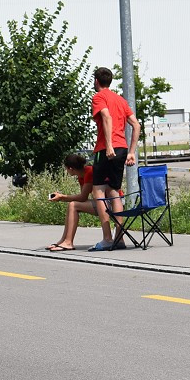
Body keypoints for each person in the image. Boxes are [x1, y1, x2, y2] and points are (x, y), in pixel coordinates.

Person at [88, 66, 140, 251]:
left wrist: (108, 144)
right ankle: (119, 238)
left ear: (96, 81)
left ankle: (107, 238)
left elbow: (106, 117)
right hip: (122, 149)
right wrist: (132, 151)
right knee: (114, 191)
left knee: (98, 192)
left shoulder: (99, 97)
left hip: (106, 149)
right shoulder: (120, 100)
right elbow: (136, 124)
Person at [46, 153, 96, 251]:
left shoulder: (89, 172)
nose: (66, 171)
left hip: (107, 203)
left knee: (73, 205)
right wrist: (62, 197)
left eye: (66, 168)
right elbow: (83, 197)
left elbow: (82, 197)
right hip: (99, 202)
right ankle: (63, 240)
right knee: (72, 205)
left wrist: (62, 197)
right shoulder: (81, 175)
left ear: (71, 168)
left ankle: (68, 242)